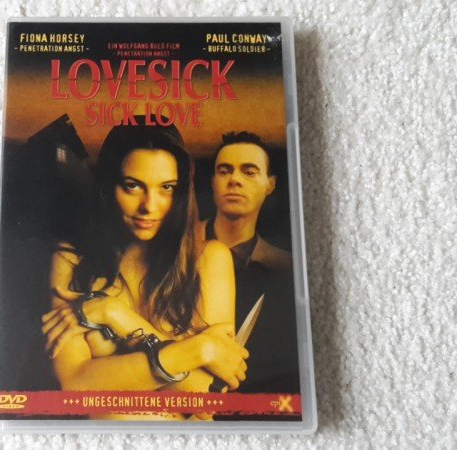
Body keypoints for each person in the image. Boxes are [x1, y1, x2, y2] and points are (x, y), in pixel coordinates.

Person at [40, 117, 249, 420]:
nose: (149, 206)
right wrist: (198, 350)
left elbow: (208, 396)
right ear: (108, 185)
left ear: (181, 192)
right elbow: (75, 390)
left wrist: (116, 315)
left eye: (166, 188)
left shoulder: (209, 259)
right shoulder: (71, 259)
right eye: (133, 186)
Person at [197, 131, 300, 396]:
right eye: (224, 171)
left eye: (249, 172)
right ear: (213, 182)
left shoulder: (287, 268)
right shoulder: (174, 250)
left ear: (270, 184)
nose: (234, 180)